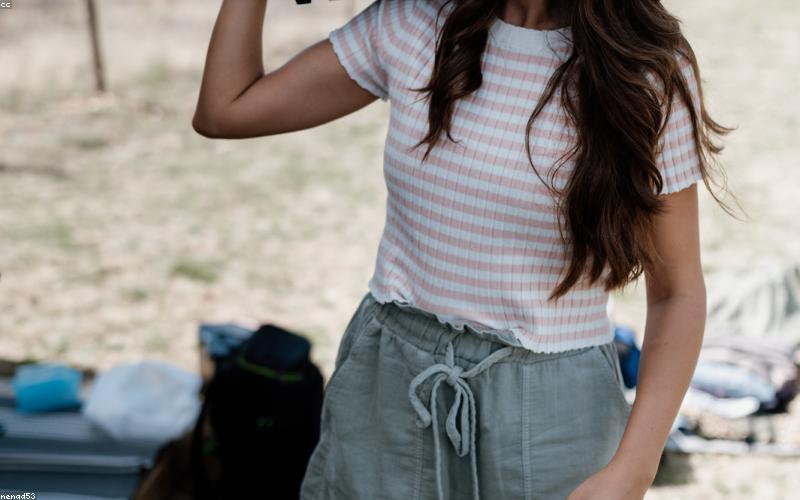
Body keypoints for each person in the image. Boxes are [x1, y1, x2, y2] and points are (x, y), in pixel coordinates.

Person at [192, 0, 736, 498]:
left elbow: (678, 293)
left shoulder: (645, 68)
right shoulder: (413, 22)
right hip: (387, 386)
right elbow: (225, 109)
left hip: (551, 410)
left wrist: (634, 469)